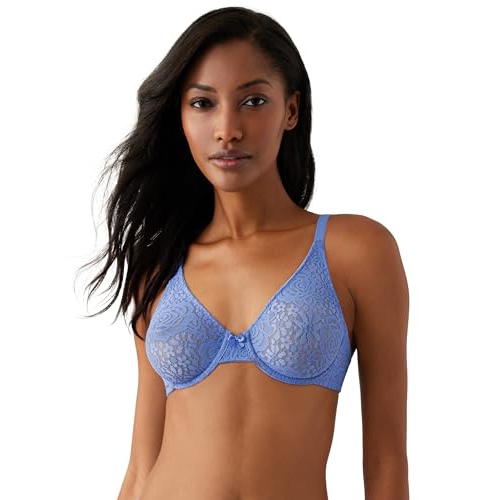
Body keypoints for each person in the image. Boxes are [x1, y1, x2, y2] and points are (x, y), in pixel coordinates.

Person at [78, 6, 409, 500]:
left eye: (253, 101)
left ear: (291, 110)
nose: (227, 129)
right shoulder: (159, 269)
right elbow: (143, 467)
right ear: (180, 116)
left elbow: (385, 461)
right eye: (203, 103)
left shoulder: (356, 251)